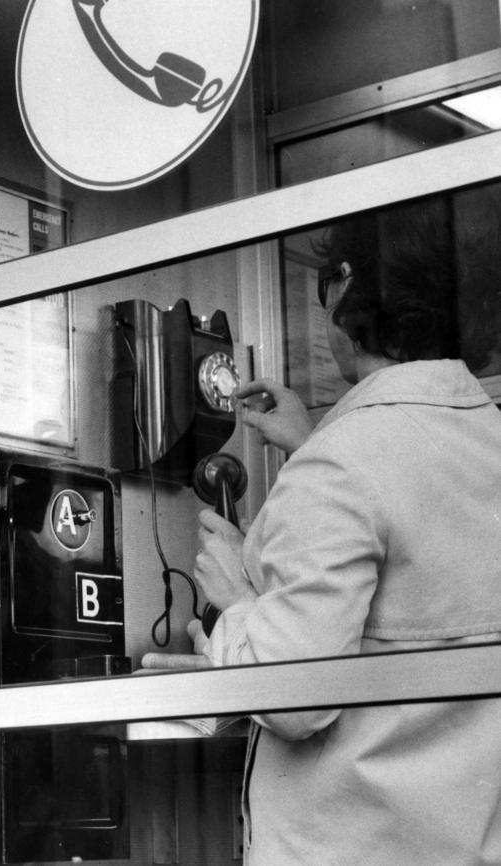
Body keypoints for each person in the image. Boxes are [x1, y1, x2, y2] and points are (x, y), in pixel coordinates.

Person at [143, 189, 501, 864]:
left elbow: (295, 700)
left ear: (348, 292)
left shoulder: (343, 463)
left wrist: (238, 601)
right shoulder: (484, 440)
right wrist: (314, 444)